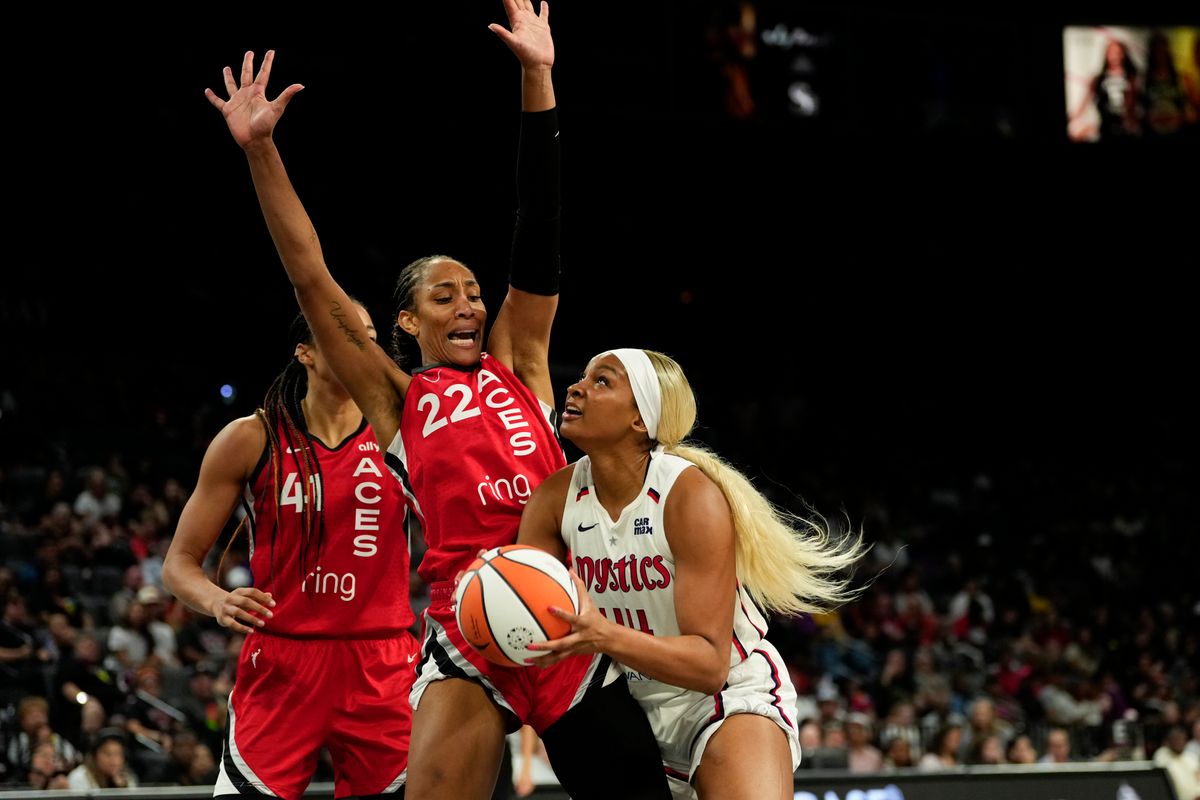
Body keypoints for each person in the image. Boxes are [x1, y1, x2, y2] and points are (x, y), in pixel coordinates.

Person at [202, 3, 670, 800]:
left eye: (474, 293)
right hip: (468, 626)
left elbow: (538, 228)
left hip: (566, 607)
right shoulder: (397, 399)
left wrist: (538, 77)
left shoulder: (519, 361)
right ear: (406, 322)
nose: (467, 304)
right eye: (444, 295)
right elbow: (309, 275)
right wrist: (262, 153)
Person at [516, 349, 867, 799]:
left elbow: (708, 664)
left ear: (640, 420)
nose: (576, 387)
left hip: (722, 702)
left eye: (602, 381)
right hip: (625, 710)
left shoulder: (687, 495)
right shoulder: (555, 497)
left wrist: (603, 636)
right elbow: (526, 611)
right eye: (582, 377)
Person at [163, 305, 417, 800]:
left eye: (368, 338)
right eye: (342, 336)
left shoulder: (406, 432)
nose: (359, 349)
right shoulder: (250, 437)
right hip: (282, 662)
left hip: (382, 664)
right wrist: (216, 600)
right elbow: (179, 563)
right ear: (305, 352)